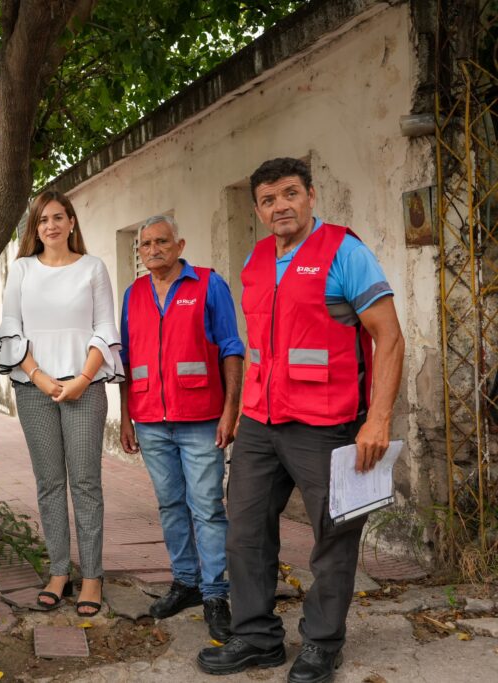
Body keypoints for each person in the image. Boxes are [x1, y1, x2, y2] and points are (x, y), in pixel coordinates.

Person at [197, 158, 404, 683]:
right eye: (268, 200)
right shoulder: (256, 260)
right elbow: (261, 348)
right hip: (260, 423)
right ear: (258, 210)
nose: (280, 206)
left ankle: (321, 643)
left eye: (290, 193)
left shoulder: (345, 252)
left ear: (311, 195)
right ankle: (256, 637)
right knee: (244, 531)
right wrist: (241, 409)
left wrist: (378, 420)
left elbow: (389, 337)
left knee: (333, 536)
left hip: (327, 423)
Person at [0, 190, 123, 617]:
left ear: (71, 222)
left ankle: (92, 576)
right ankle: (58, 571)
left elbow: (105, 327)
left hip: (84, 387)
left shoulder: (92, 267)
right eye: (42, 219)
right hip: (34, 388)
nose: (50, 225)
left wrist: (82, 379)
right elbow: (11, 328)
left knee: (85, 482)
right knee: (49, 483)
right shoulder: (21, 269)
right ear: (35, 228)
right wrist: (40, 377)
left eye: (57, 217)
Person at [118, 215, 243, 641]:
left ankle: (215, 593)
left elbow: (231, 348)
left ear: (180, 244)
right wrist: (127, 416)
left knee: (206, 505)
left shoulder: (208, 284)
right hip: (150, 419)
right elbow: (125, 358)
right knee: (170, 504)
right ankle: (185, 582)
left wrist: (230, 410)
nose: (153, 249)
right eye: (146, 244)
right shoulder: (133, 294)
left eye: (162, 241)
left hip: (201, 418)